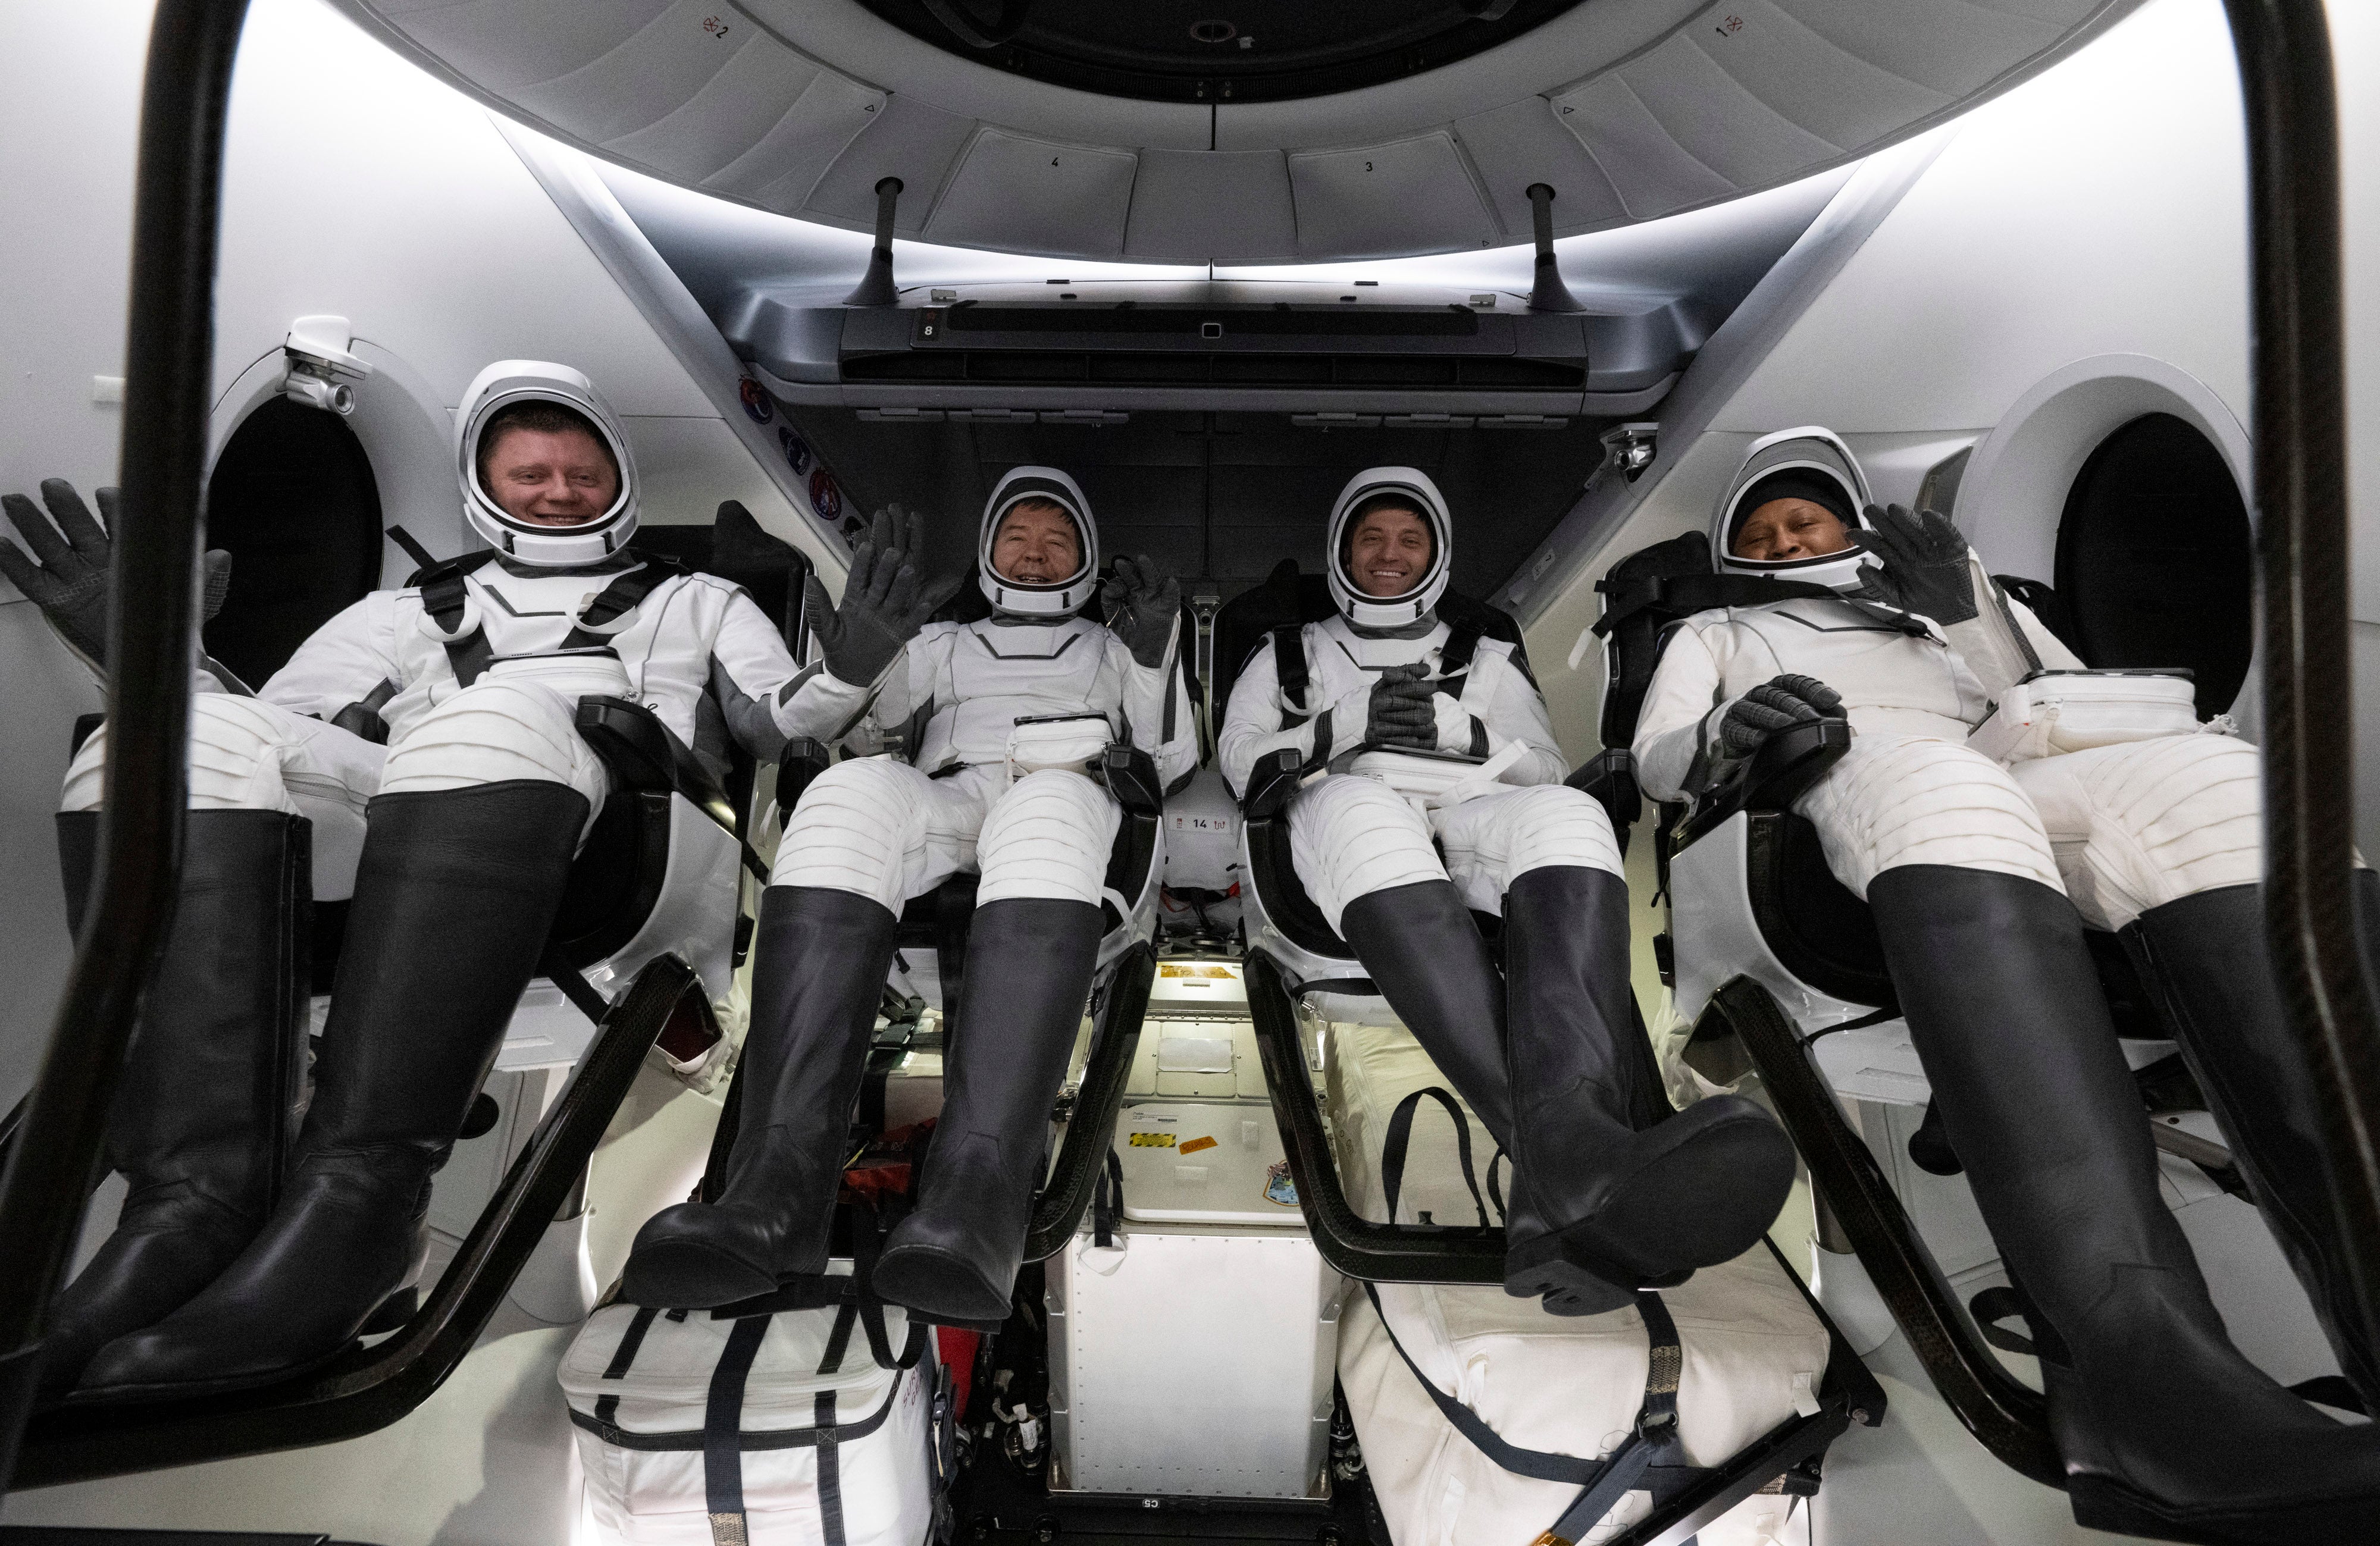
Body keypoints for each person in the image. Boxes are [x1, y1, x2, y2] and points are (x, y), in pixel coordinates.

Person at [1, 361, 840, 1398]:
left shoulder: (695, 599)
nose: (560, 492)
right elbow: (284, 734)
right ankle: (194, 1202)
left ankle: (367, 1203)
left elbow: (781, 718)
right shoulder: (404, 611)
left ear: (618, 475)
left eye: (581, 471)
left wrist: (854, 664)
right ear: (483, 481)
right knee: (172, 737)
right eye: (531, 472)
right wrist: (150, 657)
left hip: (636, 847)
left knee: (489, 717)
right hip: (430, 819)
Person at [1633, 426, 2380, 1541]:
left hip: (2032, 751)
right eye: (1766, 529)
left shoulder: (1945, 591)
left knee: (2224, 787)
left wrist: (1962, 610)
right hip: (1859, 767)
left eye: (1810, 518)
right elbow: (1658, 758)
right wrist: (1730, 727)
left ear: (1848, 519)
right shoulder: (1721, 626)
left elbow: (2061, 698)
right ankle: (2147, 1390)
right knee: (1948, 790)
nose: (1791, 538)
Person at [622, 466, 1194, 1326]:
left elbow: (1170, 760)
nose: (1036, 558)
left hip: (1065, 794)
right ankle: (773, 1193)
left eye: (1057, 542)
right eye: (1018, 540)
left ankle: (976, 1205)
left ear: (1086, 559)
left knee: (1049, 805)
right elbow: (863, 729)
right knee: (844, 798)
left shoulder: (1113, 650)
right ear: (989, 552)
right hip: (951, 795)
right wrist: (863, 650)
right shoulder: (946, 642)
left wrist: (1153, 653)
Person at [1218, 468, 1795, 1316]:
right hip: (1341, 802)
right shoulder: (1286, 654)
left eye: (1408, 539)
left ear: (1437, 554)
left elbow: (1543, 768)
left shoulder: (1482, 655)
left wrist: (1466, 729)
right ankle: (1577, 1161)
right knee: (1361, 806)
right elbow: (1241, 763)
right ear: (1341, 550)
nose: (1389, 554)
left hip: (1472, 800)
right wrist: (1344, 728)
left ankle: (1561, 1176)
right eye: (1370, 538)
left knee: (1566, 816)